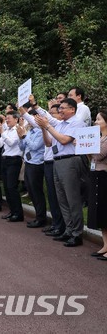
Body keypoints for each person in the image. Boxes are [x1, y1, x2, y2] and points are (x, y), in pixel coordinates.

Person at [35, 98, 88, 247]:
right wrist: (43, 128)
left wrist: (48, 126)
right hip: (57, 161)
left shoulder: (77, 122)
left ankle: (77, 234)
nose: (60, 111)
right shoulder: (60, 124)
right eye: (60, 109)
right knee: (62, 199)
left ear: (72, 109)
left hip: (70, 161)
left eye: (63, 108)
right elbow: (49, 143)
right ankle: (69, 230)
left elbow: (65, 140)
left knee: (72, 199)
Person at [87, 110, 107, 261]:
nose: (95, 122)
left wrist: (85, 145)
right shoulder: (99, 138)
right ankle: (105, 245)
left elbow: (99, 155)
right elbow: (91, 157)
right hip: (95, 175)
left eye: (98, 119)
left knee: (104, 211)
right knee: (100, 212)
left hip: (104, 177)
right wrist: (85, 147)